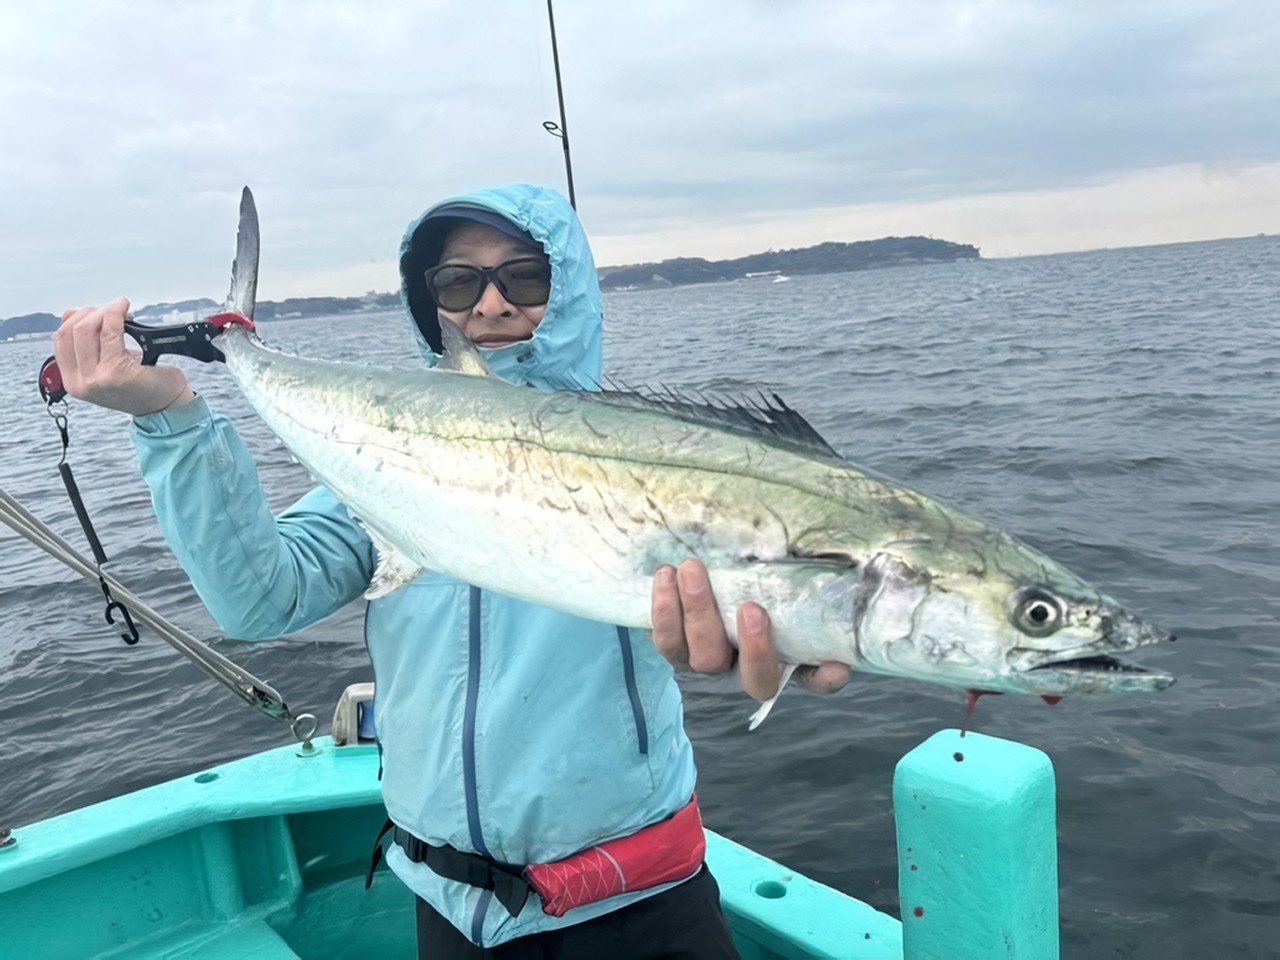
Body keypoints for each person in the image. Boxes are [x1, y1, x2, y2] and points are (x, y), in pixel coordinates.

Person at [54, 183, 849, 958]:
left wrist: (792, 622)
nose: (492, 305)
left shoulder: (660, 461)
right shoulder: (390, 463)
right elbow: (260, 601)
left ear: (573, 291)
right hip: (449, 906)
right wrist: (170, 420)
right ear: (428, 301)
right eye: (460, 282)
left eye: (525, 278)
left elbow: (762, 575)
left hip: (636, 901)